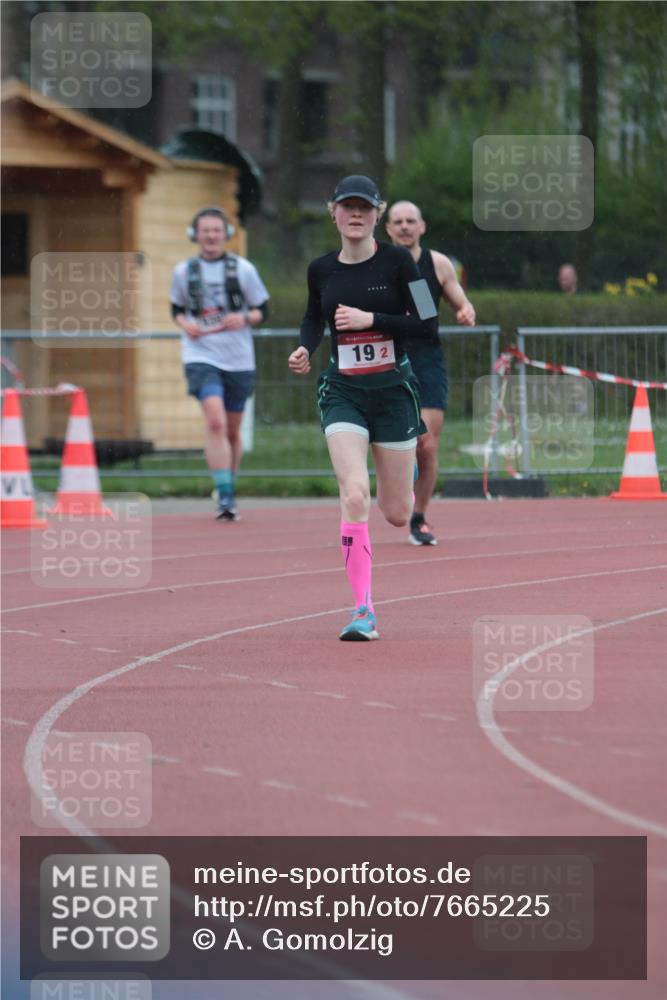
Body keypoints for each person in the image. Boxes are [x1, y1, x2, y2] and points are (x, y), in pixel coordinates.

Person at [288, 175, 436, 641]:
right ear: (333, 212)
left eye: (365, 208)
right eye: (347, 207)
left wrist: (374, 320)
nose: (356, 215)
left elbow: (429, 322)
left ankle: (404, 468)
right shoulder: (321, 269)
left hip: (394, 392)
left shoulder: (399, 263)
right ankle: (363, 610)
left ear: (378, 213)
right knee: (354, 494)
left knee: (395, 512)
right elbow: (314, 316)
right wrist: (304, 348)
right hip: (344, 391)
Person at [385, 200, 476, 545]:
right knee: (397, 442)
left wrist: (466, 311)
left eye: (411, 220)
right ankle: (392, 487)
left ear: (422, 226)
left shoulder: (437, 264)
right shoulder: (373, 263)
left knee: (426, 444)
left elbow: (459, 302)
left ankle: (419, 517)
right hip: (386, 357)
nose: (405, 226)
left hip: (425, 359)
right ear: (388, 228)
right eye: (398, 221)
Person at [170, 207, 269, 520]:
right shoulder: (184, 272)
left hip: (238, 357)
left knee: (231, 429)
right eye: (205, 230)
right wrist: (185, 324)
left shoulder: (242, 269)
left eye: (216, 230)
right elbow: (177, 309)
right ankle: (224, 497)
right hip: (201, 354)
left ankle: (229, 484)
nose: (211, 236)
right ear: (195, 235)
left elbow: (262, 309)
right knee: (215, 420)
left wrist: (243, 318)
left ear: (226, 234)